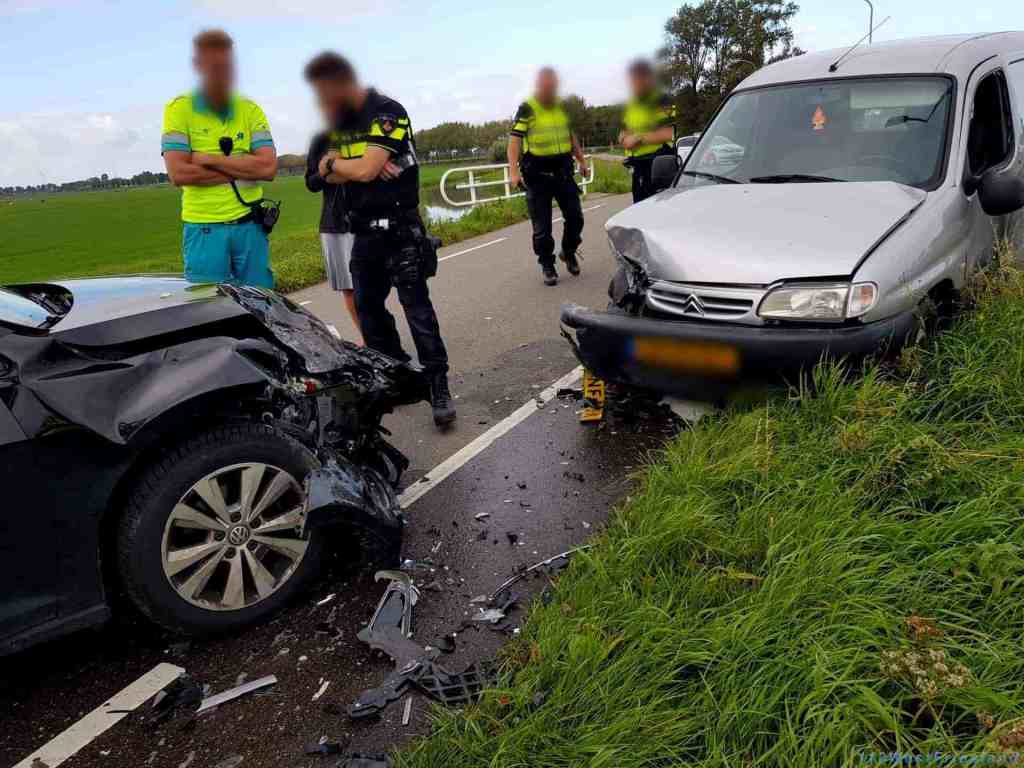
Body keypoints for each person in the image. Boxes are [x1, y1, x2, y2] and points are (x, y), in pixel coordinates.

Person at [302, 52, 456, 429]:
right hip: (363, 233)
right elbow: (314, 179)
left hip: (401, 230)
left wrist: (336, 165)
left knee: (417, 310)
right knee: (369, 310)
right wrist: (343, 169)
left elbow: (366, 168)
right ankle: (396, 374)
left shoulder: (388, 111)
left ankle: (438, 385)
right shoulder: (331, 128)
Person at [161, 30, 278, 287]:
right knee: (209, 311)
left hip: (251, 227)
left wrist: (207, 159)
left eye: (226, 65)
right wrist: (245, 165)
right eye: (213, 66)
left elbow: (268, 167)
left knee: (263, 307)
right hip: (204, 228)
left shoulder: (250, 109)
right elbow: (179, 174)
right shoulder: (178, 109)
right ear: (198, 66)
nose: (221, 72)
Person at [507, 68, 589, 287]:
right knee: (542, 228)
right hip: (537, 175)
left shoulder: (562, 106)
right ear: (539, 85)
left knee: (576, 218)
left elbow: (571, 136)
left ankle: (568, 251)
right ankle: (547, 264)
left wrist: (581, 160)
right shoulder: (527, 108)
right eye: (546, 85)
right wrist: (513, 172)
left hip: (563, 172)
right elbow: (514, 141)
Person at [304, 86, 362, 341]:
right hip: (334, 223)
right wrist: (329, 169)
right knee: (349, 290)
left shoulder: (364, 135)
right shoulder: (320, 141)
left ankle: (382, 338)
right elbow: (311, 182)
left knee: (371, 287)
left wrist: (339, 168)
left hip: (365, 220)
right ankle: (368, 340)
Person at [619, 59, 677, 204]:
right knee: (639, 211)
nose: (632, 84)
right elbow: (625, 131)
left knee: (659, 213)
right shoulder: (633, 103)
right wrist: (623, 138)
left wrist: (638, 138)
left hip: (658, 166)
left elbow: (670, 132)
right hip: (638, 167)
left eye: (636, 79)